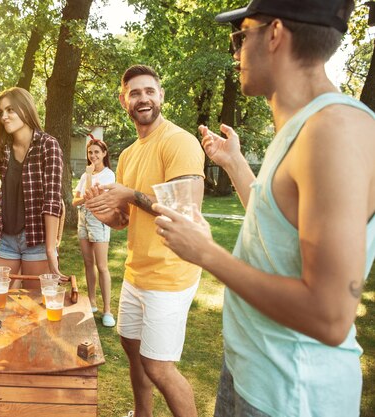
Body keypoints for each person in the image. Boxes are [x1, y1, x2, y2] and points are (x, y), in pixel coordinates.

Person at [153, 1, 375, 416]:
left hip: (291, 394)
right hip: (253, 372)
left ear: (274, 35)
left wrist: (205, 253)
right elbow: (281, 224)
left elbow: (330, 316)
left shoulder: (333, 132)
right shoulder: (304, 125)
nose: (235, 53)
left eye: (241, 36)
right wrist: (236, 164)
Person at [84, 64, 205, 417]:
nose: (143, 98)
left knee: (159, 366)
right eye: (135, 93)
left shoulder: (179, 142)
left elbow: (185, 213)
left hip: (171, 273)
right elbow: (126, 219)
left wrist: (130, 194)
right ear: (124, 101)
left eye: (150, 91)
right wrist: (107, 213)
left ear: (161, 95)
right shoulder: (130, 153)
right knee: (132, 348)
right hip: (138, 272)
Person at [0, 87, 63, 287]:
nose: (4, 117)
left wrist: (50, 250)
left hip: (36, 239)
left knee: (34, 304)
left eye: (10, 110)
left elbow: (52, 200)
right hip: (6, 237)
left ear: (25, 109)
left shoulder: (48, 145)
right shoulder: (2, 147)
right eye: (1, 112)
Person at [72, 135, 116, 327]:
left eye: (97, 152)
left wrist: (89, 178)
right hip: (83, 219)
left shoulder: (108, 175)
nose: (93, 156)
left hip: (99, 220)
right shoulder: (84, 175)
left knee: (102, 265)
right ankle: (92, 302)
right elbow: (76, 201)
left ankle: (107, 310)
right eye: (90, 152)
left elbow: (89, 198)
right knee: (88, 263)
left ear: (104, 153)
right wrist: (85, 195)